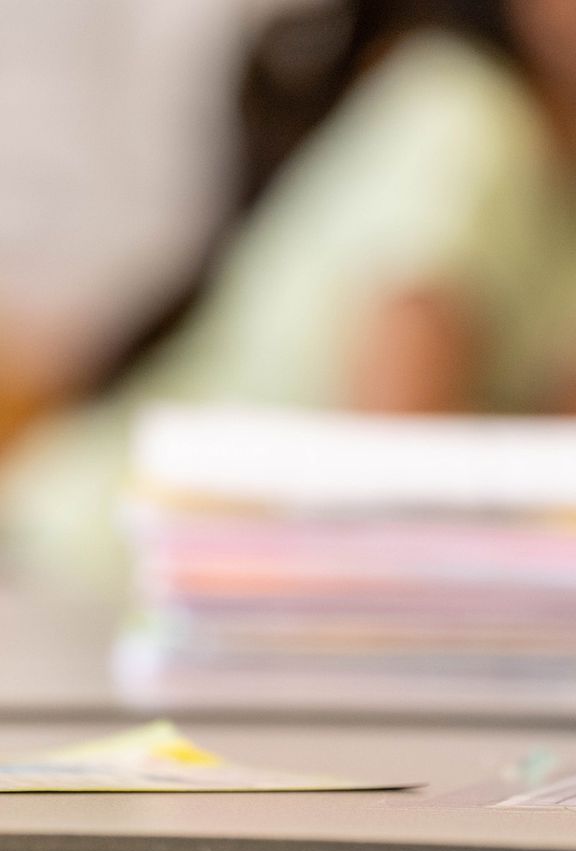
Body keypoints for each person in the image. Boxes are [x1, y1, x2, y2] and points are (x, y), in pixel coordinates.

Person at [3, 0, 576, 591]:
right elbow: (406, 471)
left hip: (250, 588)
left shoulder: (556, 164)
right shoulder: (465, 118)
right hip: (115, 560)